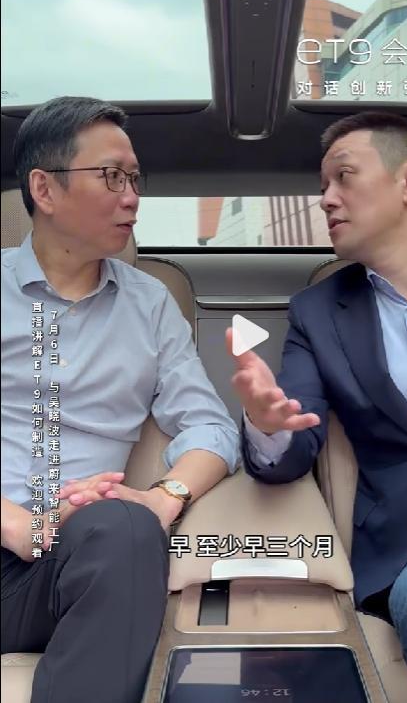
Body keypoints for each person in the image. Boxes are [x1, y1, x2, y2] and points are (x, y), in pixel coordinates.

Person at [227, 111, 407, 703]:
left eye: (344, 177)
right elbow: (291, 448)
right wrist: (267, 424)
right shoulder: (318, 312)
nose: (326, 198)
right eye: (323, 184)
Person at [1, 95, 240, 703]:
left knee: (128, 527)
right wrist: (17, 524)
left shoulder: (150, 303)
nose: (132, 197)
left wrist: (164, 499)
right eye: (111, 176)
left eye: (135, 179)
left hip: (70, 562)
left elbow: (212, 427)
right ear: (44, 188)